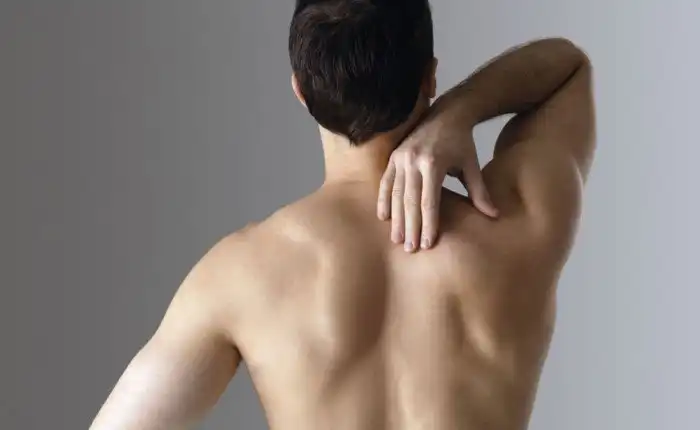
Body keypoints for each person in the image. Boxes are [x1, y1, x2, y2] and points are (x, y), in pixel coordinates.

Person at [90, 0, 595, 429]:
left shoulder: (240, 275)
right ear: (430, 77)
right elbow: (568, 68)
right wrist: (461, 108)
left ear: (300, 90)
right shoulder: (517, 224)